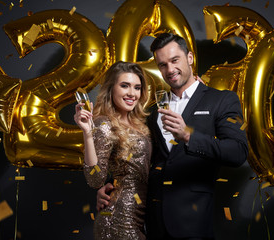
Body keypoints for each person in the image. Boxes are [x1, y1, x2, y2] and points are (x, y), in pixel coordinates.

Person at [97, 33, 249, 240]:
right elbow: (134, 151)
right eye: (162, 65)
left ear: (190, 58)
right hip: (151, 222)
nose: (169, 70)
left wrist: (188, 135)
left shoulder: (221, 100)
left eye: (174, 60)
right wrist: (108, 185)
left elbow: (238, 152)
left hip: (193, 222)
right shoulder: (151, 110)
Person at [74, 61, 151, 240]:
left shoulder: (142, 125)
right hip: (119, 220)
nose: (132, 93)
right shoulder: (104, 124)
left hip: (140, 218)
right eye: (124, 86)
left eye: (137, 87)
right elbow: (95, 179)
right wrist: (87, 133)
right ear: (111, 89)